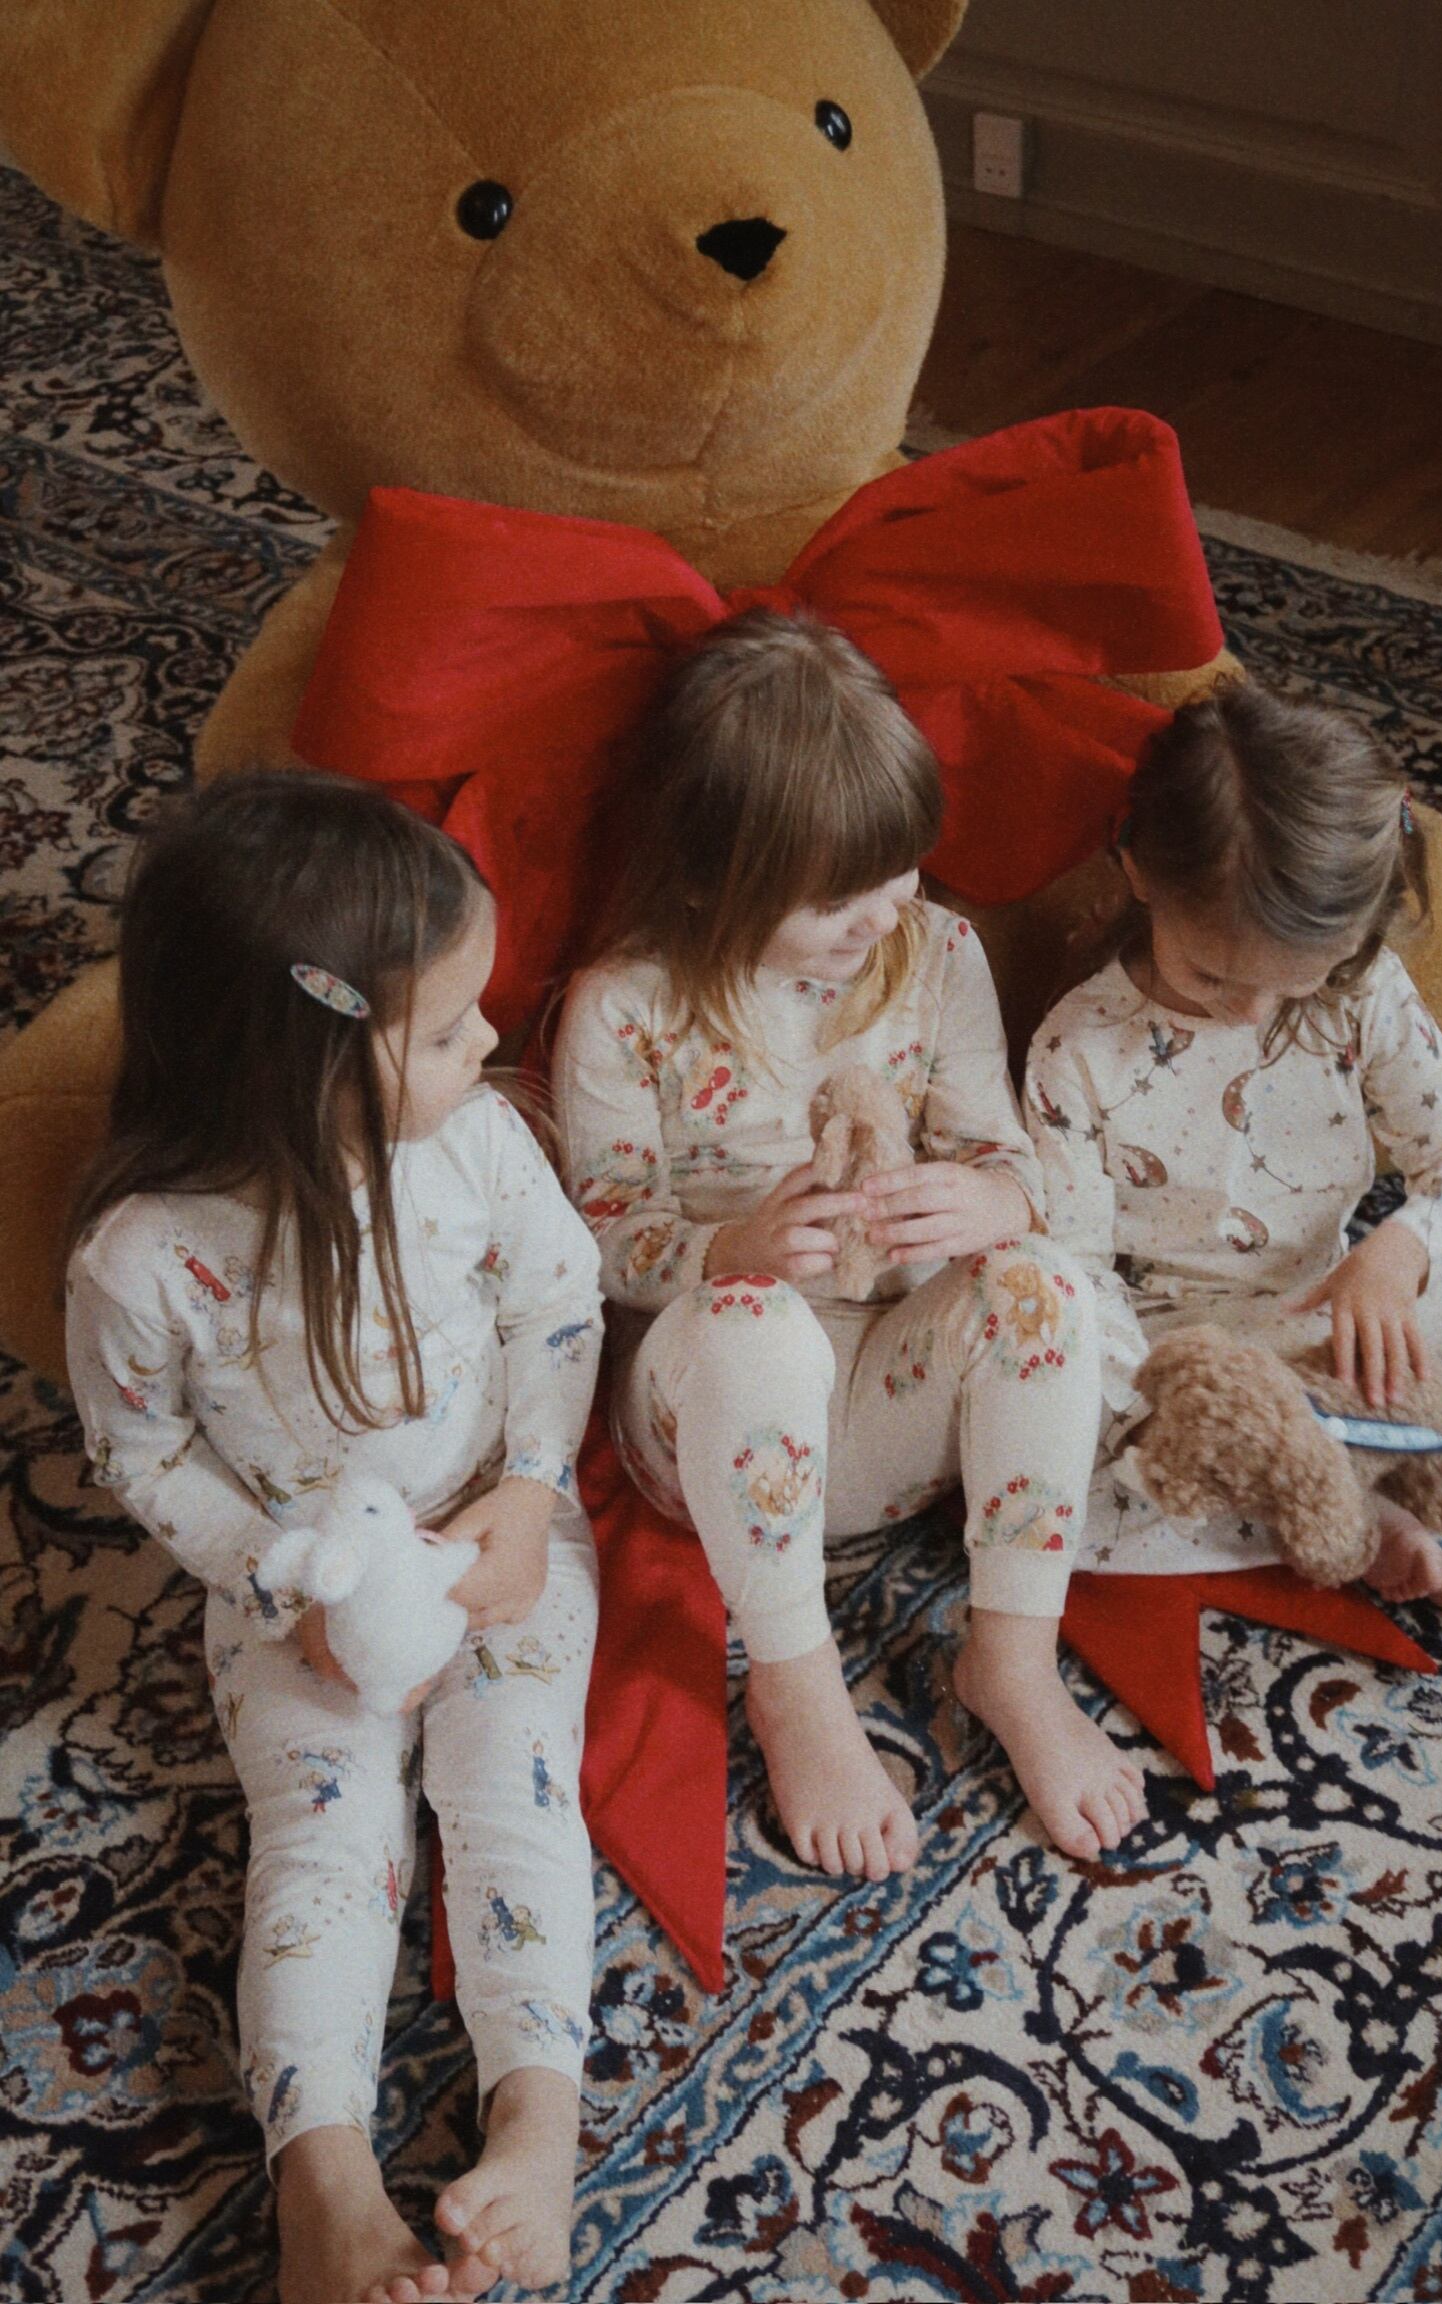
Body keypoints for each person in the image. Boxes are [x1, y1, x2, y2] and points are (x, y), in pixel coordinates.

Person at [65, 772, 603, 2304]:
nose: (488, 1043)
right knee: (325, 1843)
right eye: (442, 1031)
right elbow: (140, 1451)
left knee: (514, 1793)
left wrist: (530, 1493)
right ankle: (324, 2179)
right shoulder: (144, 1260)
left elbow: (558, 1306)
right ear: (298, 1061)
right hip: (295, 1589)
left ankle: (538, 2124)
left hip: (498, 1535)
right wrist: (283, 1576)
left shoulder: (477, 1144)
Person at [553, 608, 1146, 1881]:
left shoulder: (934, 955)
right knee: (755, 1326)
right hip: (709, 1429)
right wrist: (734, 1247)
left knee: (1044, 1289)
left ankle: (1012, 1657)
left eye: (900, 871)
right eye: (837, 897)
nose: (882, 915)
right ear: (709, 879)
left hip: (894, 1416)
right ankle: (796, 1683)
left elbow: (1013, 1159)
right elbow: (598, 1238)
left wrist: (990, 1204)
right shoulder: (625, 1008)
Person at [1024, 679, 1442, 1606]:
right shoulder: (1077, 1049)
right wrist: (1155, 1407)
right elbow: (1077, 1274)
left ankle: (1329, 1474)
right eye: (1214, 975)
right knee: (1062, 1490)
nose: (1254, 1011)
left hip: (1333, 1325)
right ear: (1140, 872)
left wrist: (1401, 1252)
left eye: (1298, 982)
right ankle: (1357, 1503)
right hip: (1181, 1360)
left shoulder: (1363, 994)